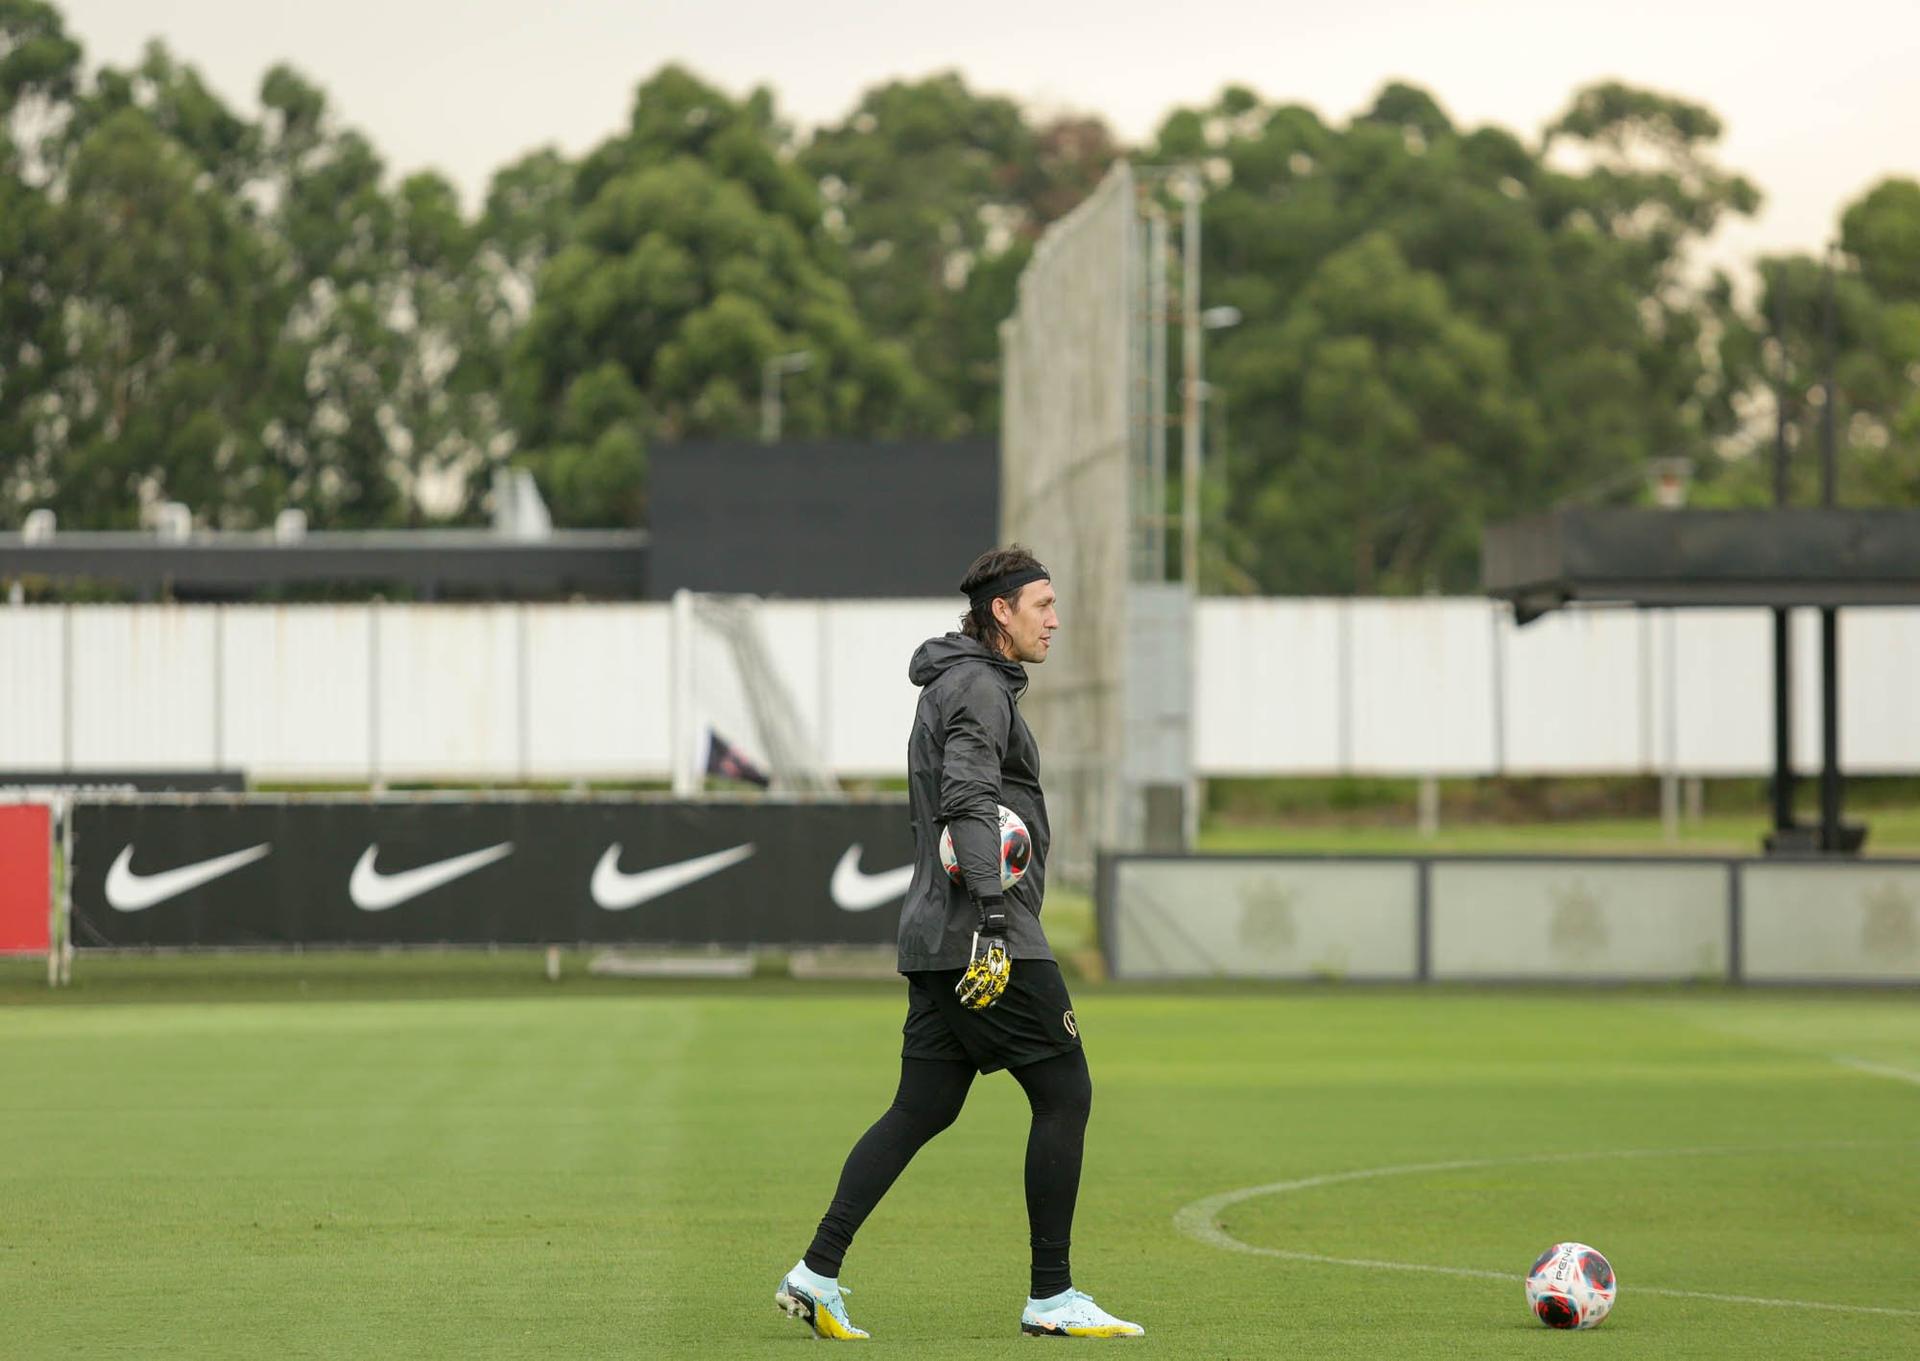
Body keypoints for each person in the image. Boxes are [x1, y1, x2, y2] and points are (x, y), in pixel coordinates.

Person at [775, 545, 1143, 1341]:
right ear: (1001, 612)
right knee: (1065, 1091)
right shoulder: (978, 684)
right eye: (1042, 603)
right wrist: (1000, 919)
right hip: (983, 927)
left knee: (923, 1106)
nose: (1055, 618)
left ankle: (816, 1271)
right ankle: (1052, 1294)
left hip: (937, 931)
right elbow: (968, 797)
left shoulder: (961, 680)